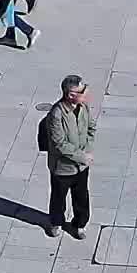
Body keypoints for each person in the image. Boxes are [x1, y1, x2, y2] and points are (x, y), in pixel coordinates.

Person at [43, 75, 97, 239]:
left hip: (81, 166)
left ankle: (80, 224)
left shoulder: (83, 106)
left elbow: (91, 128)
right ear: (71, 95)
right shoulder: (56, 115)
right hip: (63, 168)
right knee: (59, 197)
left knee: (81, 197)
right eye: (82, 91)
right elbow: (60, 144)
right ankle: (56, 222)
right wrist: (82, 156)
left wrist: (87, 150)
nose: (86, 93)